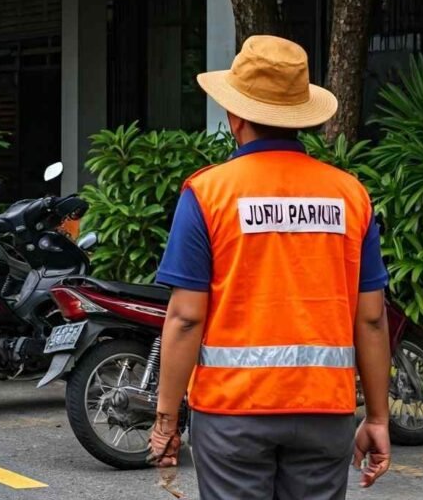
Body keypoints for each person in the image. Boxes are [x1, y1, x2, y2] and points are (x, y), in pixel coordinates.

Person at [147, 35, 392, 500]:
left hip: (232, 412)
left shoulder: (208, 194)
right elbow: (373, 317)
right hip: (325, 413)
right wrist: (377, 418)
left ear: (235, 116)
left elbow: (185, 317)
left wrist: (165, 420)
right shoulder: (349, 195)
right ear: (299, 118)